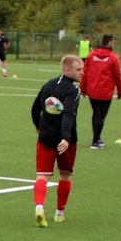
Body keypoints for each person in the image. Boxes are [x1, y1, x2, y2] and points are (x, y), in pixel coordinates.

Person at [31, 54, 83, 227]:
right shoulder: (73, 90)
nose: (82, 73)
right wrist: (66, 138)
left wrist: (39, 127)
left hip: (45, 138)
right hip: (64, 142)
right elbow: (68, 114)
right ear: (67, 70)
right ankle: (60, 213)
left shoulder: (49, 85)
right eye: (78, 70)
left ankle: (39, 207)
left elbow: (35, 108)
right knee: (65, 175)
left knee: (42, 175)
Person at [82, 33, 121, 149]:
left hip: (92, 90)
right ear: (110, 42)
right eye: (113, 41)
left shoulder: (91, 55)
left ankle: (96, 138)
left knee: (96, 114)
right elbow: (118, 76)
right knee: (100, 116)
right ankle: (95, 141)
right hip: (105, 92)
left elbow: (85, 73)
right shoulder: (113, 58)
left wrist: (83, 88)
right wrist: (120, 91)